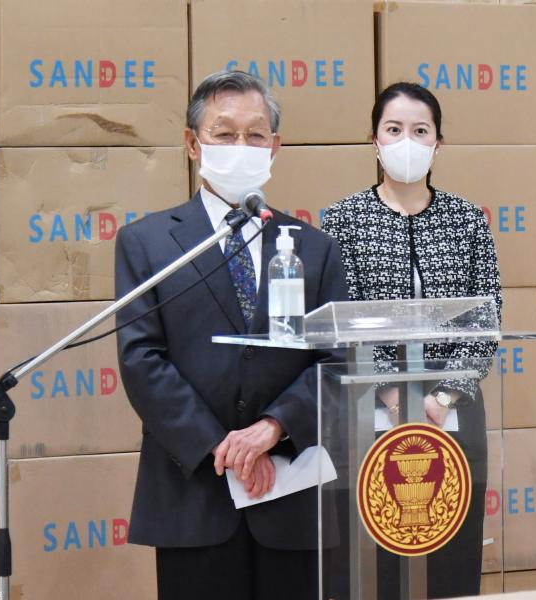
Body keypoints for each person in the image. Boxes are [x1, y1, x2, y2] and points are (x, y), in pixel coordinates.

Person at [114, 70, 347, 600]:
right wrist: (225, 448)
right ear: (193, 144)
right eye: (224, 133)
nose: (241, 145)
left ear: (275, 147)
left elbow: (337, 359)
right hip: (194, 493)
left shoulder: (314, 248)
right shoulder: (147, 243)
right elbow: (142, 359)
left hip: (291, 491)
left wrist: (271, 429)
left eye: (255, 134)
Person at [321, 82, 502, 599]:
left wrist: (442, 396)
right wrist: (393, 393)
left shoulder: (466, 220)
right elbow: (344, 316)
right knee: (373, 548)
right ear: (374, 141)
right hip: (367, 409)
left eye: (420, 131)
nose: (407, 141)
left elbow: (486, 316)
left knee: (447, 546)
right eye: (394, 129)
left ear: (438, 143)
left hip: (452, 409)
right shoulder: (343, 220)